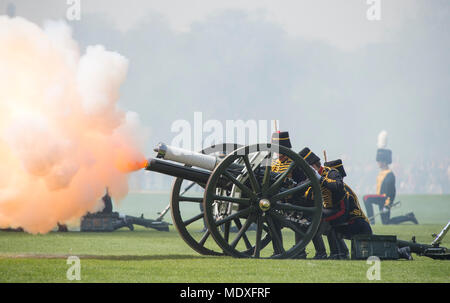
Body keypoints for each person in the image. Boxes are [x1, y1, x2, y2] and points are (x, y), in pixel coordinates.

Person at [299, 148, 373, 259]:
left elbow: (338, 186)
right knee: (312, 218)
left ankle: (323, 253)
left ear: (313, 166)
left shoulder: (331, 173)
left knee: (316, 219)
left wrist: (320, 178)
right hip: (334, 213)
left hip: (348, 217)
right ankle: (338, 252)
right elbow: (303, 191)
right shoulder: (312, 179)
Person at [363, 148, 418, 225]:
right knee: (386, 222)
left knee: (366, 198)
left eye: (379, 161)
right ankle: (409, 217)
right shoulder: (381, 173)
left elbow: (391, 193)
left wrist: (387, 205)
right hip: (380, 198)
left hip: (384, 199)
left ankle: (371, 222)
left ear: (384, 162)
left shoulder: (390, 175)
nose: (378, 163)